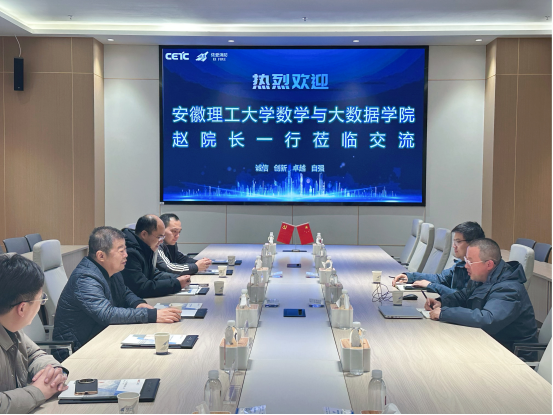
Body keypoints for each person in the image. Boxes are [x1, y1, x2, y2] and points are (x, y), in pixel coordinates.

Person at [53, 227, 181, 361]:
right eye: (121, 251)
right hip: (77, 350)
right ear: (101, 256)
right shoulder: (85, 278)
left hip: (101, 338)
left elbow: (124, 292)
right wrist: (150, 315)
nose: (126, 255)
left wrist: (138, 304)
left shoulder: (111, 270)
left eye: (125, 249)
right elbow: (106, 314)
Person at [424, 238, 538, 355]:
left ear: (489, 264)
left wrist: (445, 313)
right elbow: (463, 296)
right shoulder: (483, 277)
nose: (466, 266)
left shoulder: (509, 288)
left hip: (511, 354)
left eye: (470, 262)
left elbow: (488, 320)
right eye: (466, 260)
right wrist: (442, 302)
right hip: (488, 343)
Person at [0, 255, 69, 414]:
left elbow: (34, 354)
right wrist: (37, 392)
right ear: (22, 308)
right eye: (40, 300)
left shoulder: (12, 326)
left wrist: (53, 372)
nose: (40, 305)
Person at [392, 221, 485, 296]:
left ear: (473, 243)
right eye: (454, 242)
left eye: (458, 242)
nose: (454, 246)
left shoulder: (479, 270)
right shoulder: (460, 263)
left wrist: (431, 285)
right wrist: (410, 276)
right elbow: (440, 278)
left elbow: (462, 297)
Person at [121, 215, 191, 298]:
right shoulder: (129, 252)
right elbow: (141, 288)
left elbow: (153, 274)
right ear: (144, 234)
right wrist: (176, 283)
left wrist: (177, 278)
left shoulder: (146, 246)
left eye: (163, 237)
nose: (161, 241)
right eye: (159, 237)